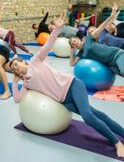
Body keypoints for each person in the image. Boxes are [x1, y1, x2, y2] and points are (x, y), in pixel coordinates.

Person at [10, 13, 124, 158]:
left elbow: (48, 45)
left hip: (72, 86)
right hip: (66, 101)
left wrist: (57, 30)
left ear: (22, 61)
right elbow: (17, 99)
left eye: (16, 64)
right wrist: (15, 82)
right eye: (13, 68)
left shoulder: (35, 61)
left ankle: (117, 143)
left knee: (88, 117)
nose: (15, 68)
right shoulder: (26, 83)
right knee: (97, 115)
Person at [69, 4, 124, 76]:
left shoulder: (88, 39)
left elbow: (100, 28)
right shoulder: (81, 54)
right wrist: (71, 54)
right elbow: (72, 63)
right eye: (72, 44)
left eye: (74, 41)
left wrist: (111, 16)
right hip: (111, 64)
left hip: (116, 54)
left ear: (79, 39)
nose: (74, 43)